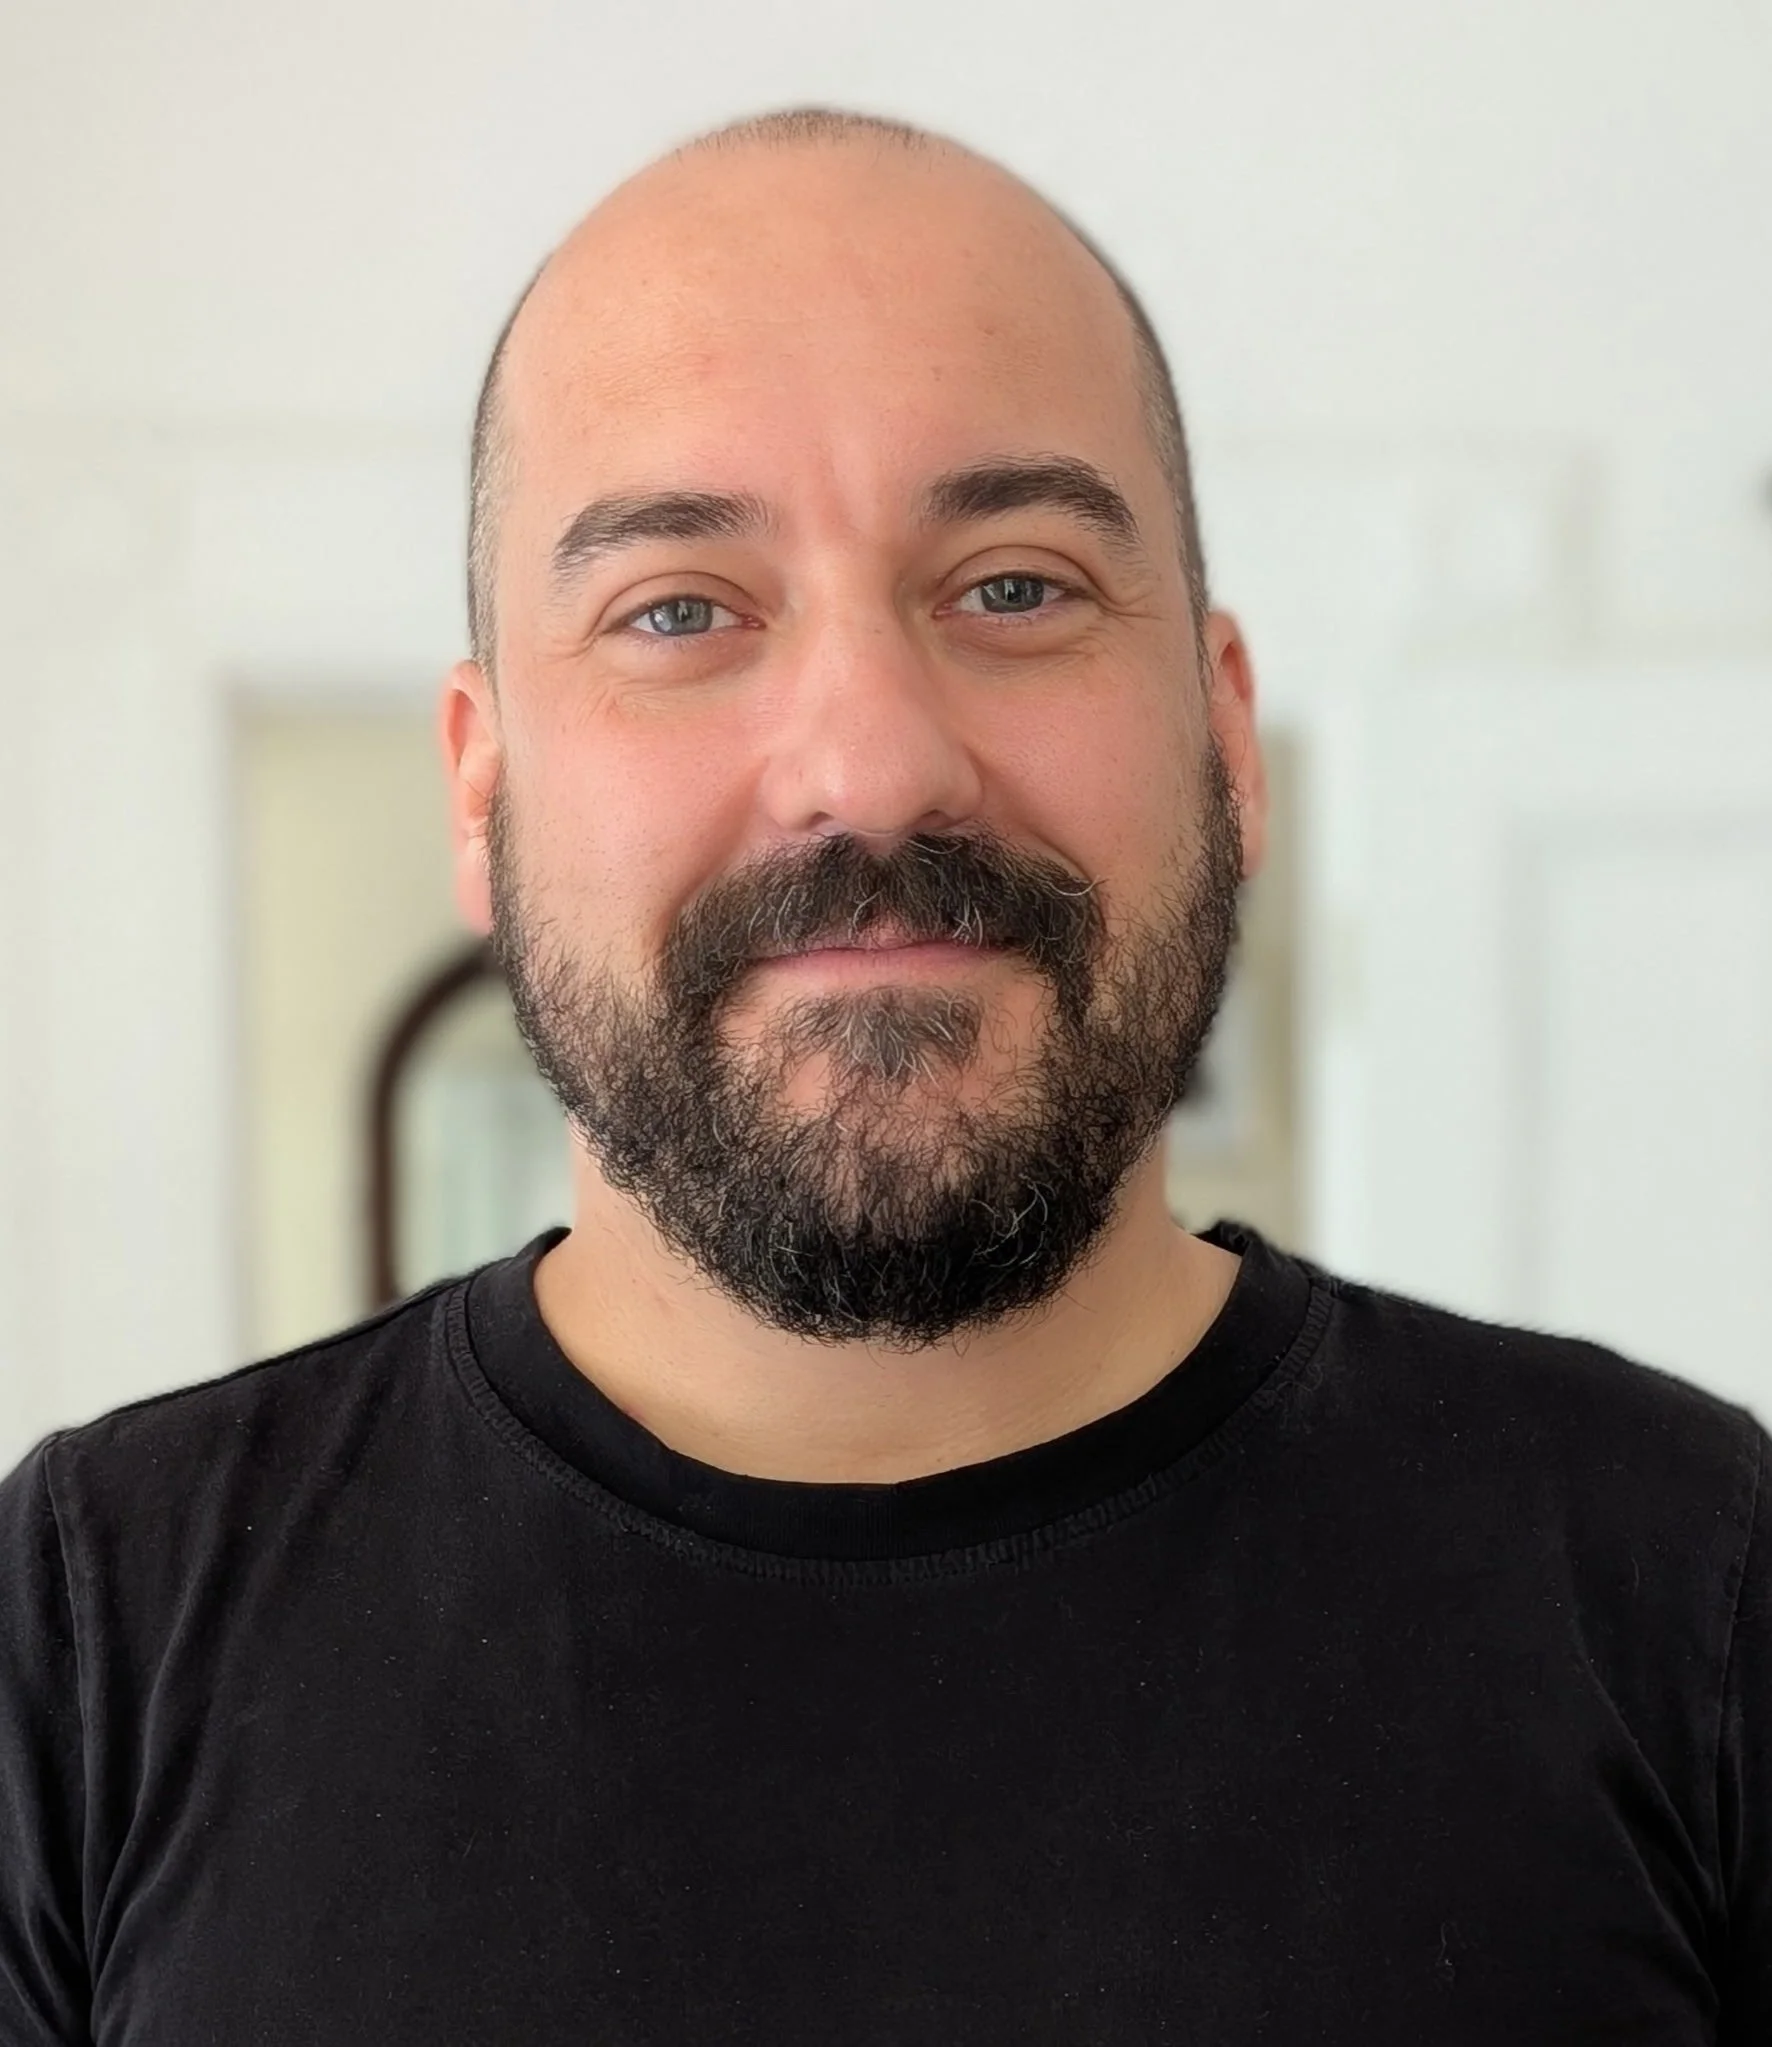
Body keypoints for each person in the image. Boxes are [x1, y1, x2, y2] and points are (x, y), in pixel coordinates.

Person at [1, 107, 1766, 2045]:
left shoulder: (1690, 1586)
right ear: (480, 783)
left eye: (1013, 586)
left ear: (1226, 738)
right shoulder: (89, 1640)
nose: (870, 762)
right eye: (678, 611)